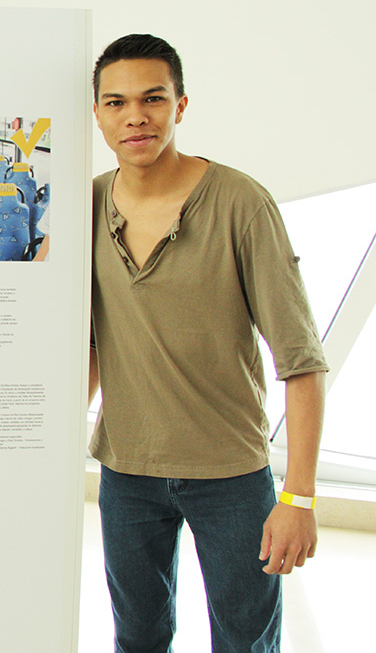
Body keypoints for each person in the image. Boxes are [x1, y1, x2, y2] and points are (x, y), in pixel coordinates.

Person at [88, 34, 326, 652]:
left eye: (153, 98)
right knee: (137, 638)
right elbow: (89, 345)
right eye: (116, 103)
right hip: (126, 470)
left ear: (181, 105)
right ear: (98, 114)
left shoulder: (241, 203)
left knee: (246, 641)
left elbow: (301, 360)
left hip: (231, 474)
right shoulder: (87, 203)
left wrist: (299, 497)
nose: (135, 116)